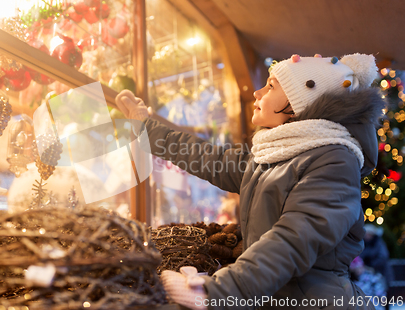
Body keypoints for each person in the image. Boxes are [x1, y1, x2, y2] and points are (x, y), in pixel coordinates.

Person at [116, 53, 385, 310]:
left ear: (299, 103)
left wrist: (217, 292)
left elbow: (292, 241)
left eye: (270, 87)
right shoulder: (276, 155)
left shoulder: (334, 162)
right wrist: (147, 129)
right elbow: (209, 158)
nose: (257, 94)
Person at [360, 224, 394, 293]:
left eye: (368, 234)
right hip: (367, 273)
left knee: (381, 292)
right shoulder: (363, 243)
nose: (366, 236)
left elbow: (383, 257)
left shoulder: (379, 243)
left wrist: (372, 264)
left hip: (381, 273)